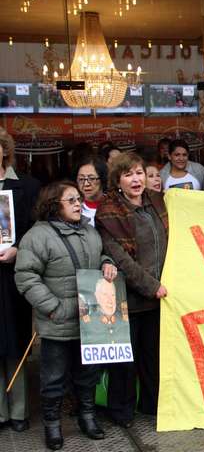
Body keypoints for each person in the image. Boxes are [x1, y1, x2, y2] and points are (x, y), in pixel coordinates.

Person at [15, 180, 116, 450]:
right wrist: (53, 307)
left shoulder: (89, 231)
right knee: (53, 379)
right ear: (53, 205)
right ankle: (52, 426)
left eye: (78, 199)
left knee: (87, 374)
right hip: (57, 322)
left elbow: (101, 256)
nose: (78, 204)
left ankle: (87, 417)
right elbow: (26, 276)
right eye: (71, 200)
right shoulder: (38, 236)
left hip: (88, 320)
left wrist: (107, 264)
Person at [95, 153, 168, 427]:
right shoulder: (108, 212)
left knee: (153, 356)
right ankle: (122, 411)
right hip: (129, 297)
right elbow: (121, 260)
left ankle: (151, 404)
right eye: (128, 175)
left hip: (161, 297)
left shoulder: (158, 201)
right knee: (125, 360)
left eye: (139, 173)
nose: (136, 179)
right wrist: (152, 286)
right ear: (117, 181)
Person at [0, 128, 39, 433]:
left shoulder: (27, 185)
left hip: (14, 276)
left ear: (4, 149)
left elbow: (36, 227)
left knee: (15, 342)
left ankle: (18, 411)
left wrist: (18, 248)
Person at [80, 278, 130, 346]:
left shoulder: (123, 321)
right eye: (105, 294)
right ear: (97, 296)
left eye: (113, 295)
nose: (110, 300)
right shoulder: (88, 324)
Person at [73, 156, 107, 226]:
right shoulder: (73, 209)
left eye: (91, 178)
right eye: (81, 179)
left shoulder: (115, 204)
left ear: (102, 179)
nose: (86, 184)